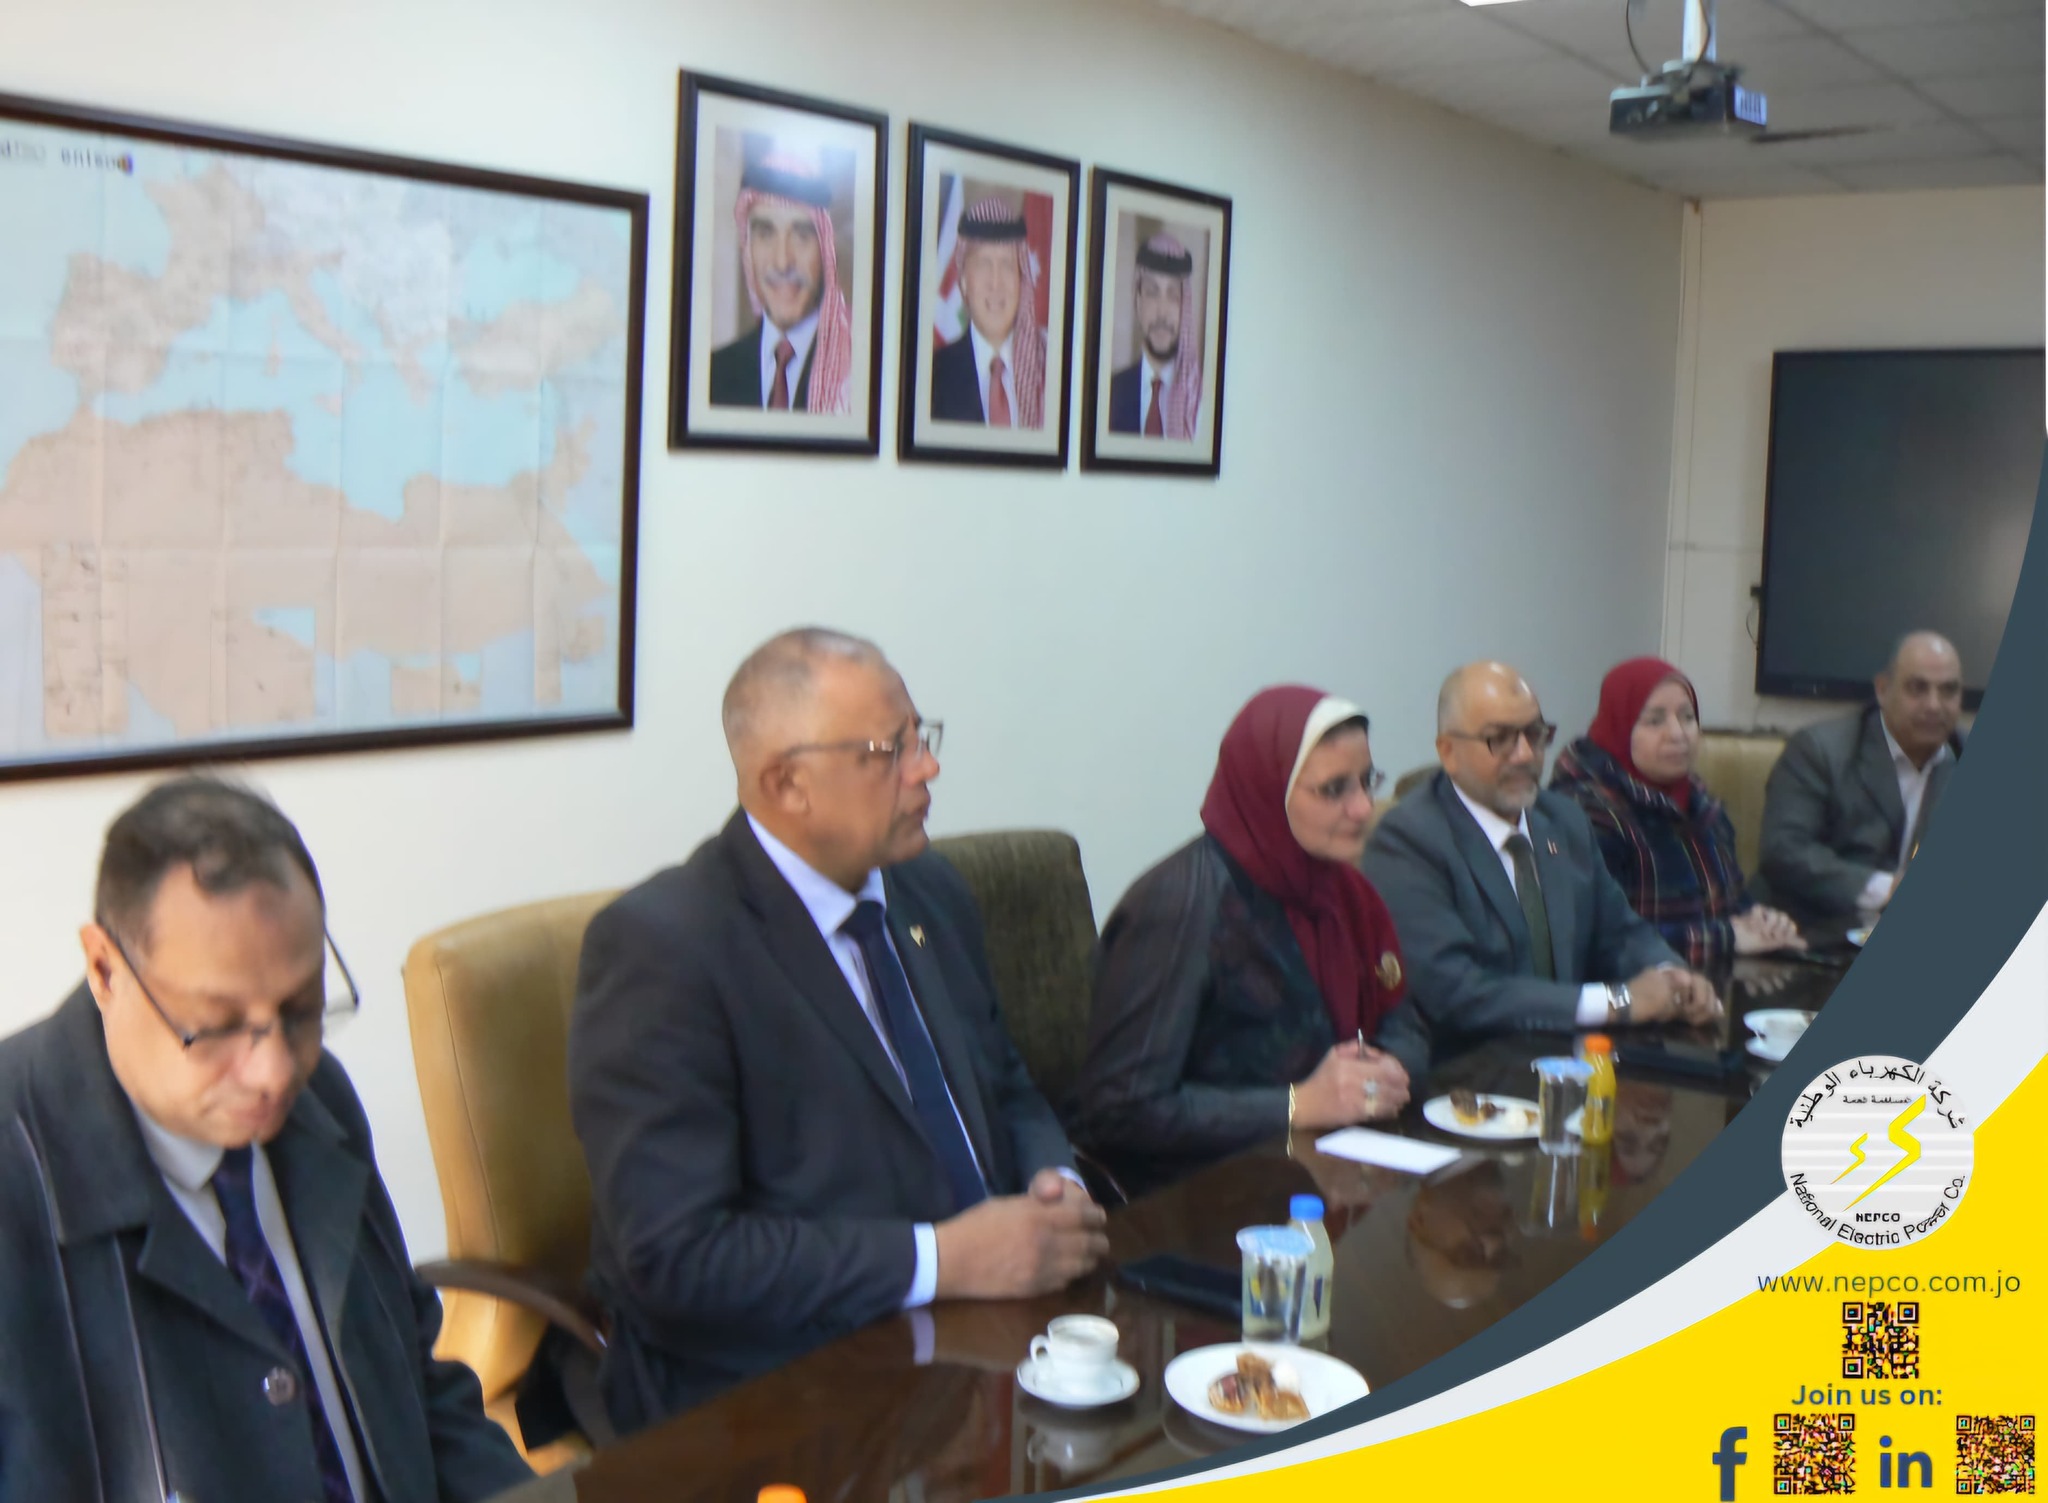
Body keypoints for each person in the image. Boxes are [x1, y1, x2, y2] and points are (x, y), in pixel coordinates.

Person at [569, 628, 1107, 1432]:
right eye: (890, 751)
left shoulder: (928, 890)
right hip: (792, 1384)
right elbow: (679, 1257)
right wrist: (943, 1259)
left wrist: (1054, 1184)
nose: (926, 768)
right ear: (787, 784)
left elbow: (1005, 1082)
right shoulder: (665, 948)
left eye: (922, 736)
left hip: (995, 1338)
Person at [0, 777, 531, 1502]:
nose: (275, 1072)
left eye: (302, 1008)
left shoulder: (320, 1100)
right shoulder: (17, 1175)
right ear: (105, 968)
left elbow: (420, 1392)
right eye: (217, 1024)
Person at [1070, 687, 1421, 1199]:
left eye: (1367, 781)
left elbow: (1404, 1020)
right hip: (1201, 1196)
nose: (1364, 807)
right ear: (1267, 789)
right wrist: (1297, 1105)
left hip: (1330, 1171)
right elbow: (1119, 1108)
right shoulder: (1180, 906)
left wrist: (1388, 1070)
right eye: (1334, 789)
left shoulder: (1344, 890)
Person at [1362, 662, 1723, 1049]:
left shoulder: (1562, 819)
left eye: (1534, 735)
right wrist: (1617, 1002)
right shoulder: (1408, 841)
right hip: (1471, 1070)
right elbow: (1459, 993)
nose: (1524, 755)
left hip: (1574, 1060)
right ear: (1448, 752)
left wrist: (1672, 977)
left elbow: (1619, 932)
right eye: (1499, 739)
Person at [1549, 657, 1803, 967]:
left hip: (1712, 979)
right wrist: (1728, 937)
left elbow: (1731, 903)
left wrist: (1759, 920)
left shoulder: (1700, 802)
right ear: (1619, 727)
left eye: (1687, 717)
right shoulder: (1586, 812)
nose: (1678, 733)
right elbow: (1600, 942)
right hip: (1637, 991)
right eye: (1655, 721)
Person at [1757, 631, 1966, 929]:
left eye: (1948, 691)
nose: (1934, 705)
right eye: (1917, 688)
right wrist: (1887, 889)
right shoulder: (1820, 751)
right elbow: (1784, 850)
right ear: (1882, 690)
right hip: (1814, 935)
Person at [708, 151, 854, 413]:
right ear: (748, 249)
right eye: (765, 234)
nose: (782, 262)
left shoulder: (856, 372)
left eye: (801, 235)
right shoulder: (714, 374)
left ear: (825, 251)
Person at [930, 197, 1047, 428]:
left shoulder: (1049, 371)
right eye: (984, 264)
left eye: (1007, 265)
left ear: (1021, 279)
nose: (996, 283)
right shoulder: (932, 376)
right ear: (964, 282)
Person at [1107, 233, 1202, 438]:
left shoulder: (1200, 402)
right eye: (1152, 292)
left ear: (1185, 307)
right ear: (1138, 301)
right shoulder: (1110, 394)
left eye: (1173, 296)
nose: (1162, 311)